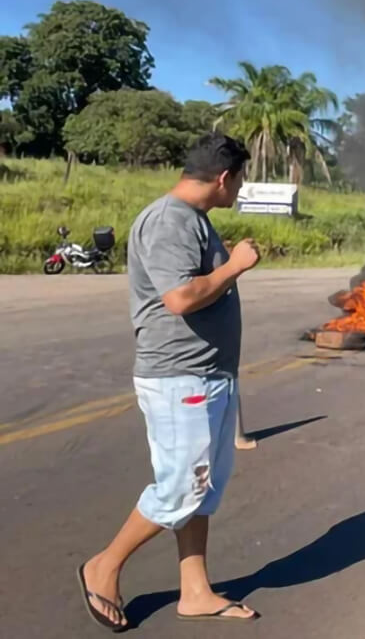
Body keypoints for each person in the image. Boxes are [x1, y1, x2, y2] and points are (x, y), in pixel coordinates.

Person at [76, 132, 261, 631]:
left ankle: (196, 591)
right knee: (182, 486)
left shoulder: (194, 220)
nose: (239, 190)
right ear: (224, 178)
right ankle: (105, 566)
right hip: (181, 377)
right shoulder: (169, 220)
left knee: (202, 488)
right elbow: (179, 298)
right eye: (239, 180)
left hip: (208, 374)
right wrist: (237, 266)